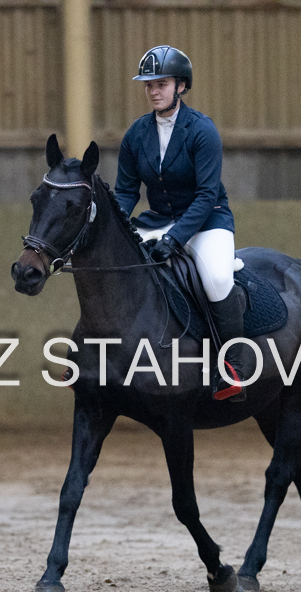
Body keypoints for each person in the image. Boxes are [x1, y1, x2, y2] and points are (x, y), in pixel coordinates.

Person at [115, 45, 249, 401]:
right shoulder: (136, 134)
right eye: (149, 85)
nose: (153, 91)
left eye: (161, 84)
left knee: (217, 278)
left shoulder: (202, 130)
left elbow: (206, 195)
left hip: (207, 221)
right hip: (157, 219)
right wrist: (113, 226)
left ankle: (233, 367)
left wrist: (175, 239)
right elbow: (126, 191)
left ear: (181, 86)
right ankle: (90, 353)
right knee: (112, 264)